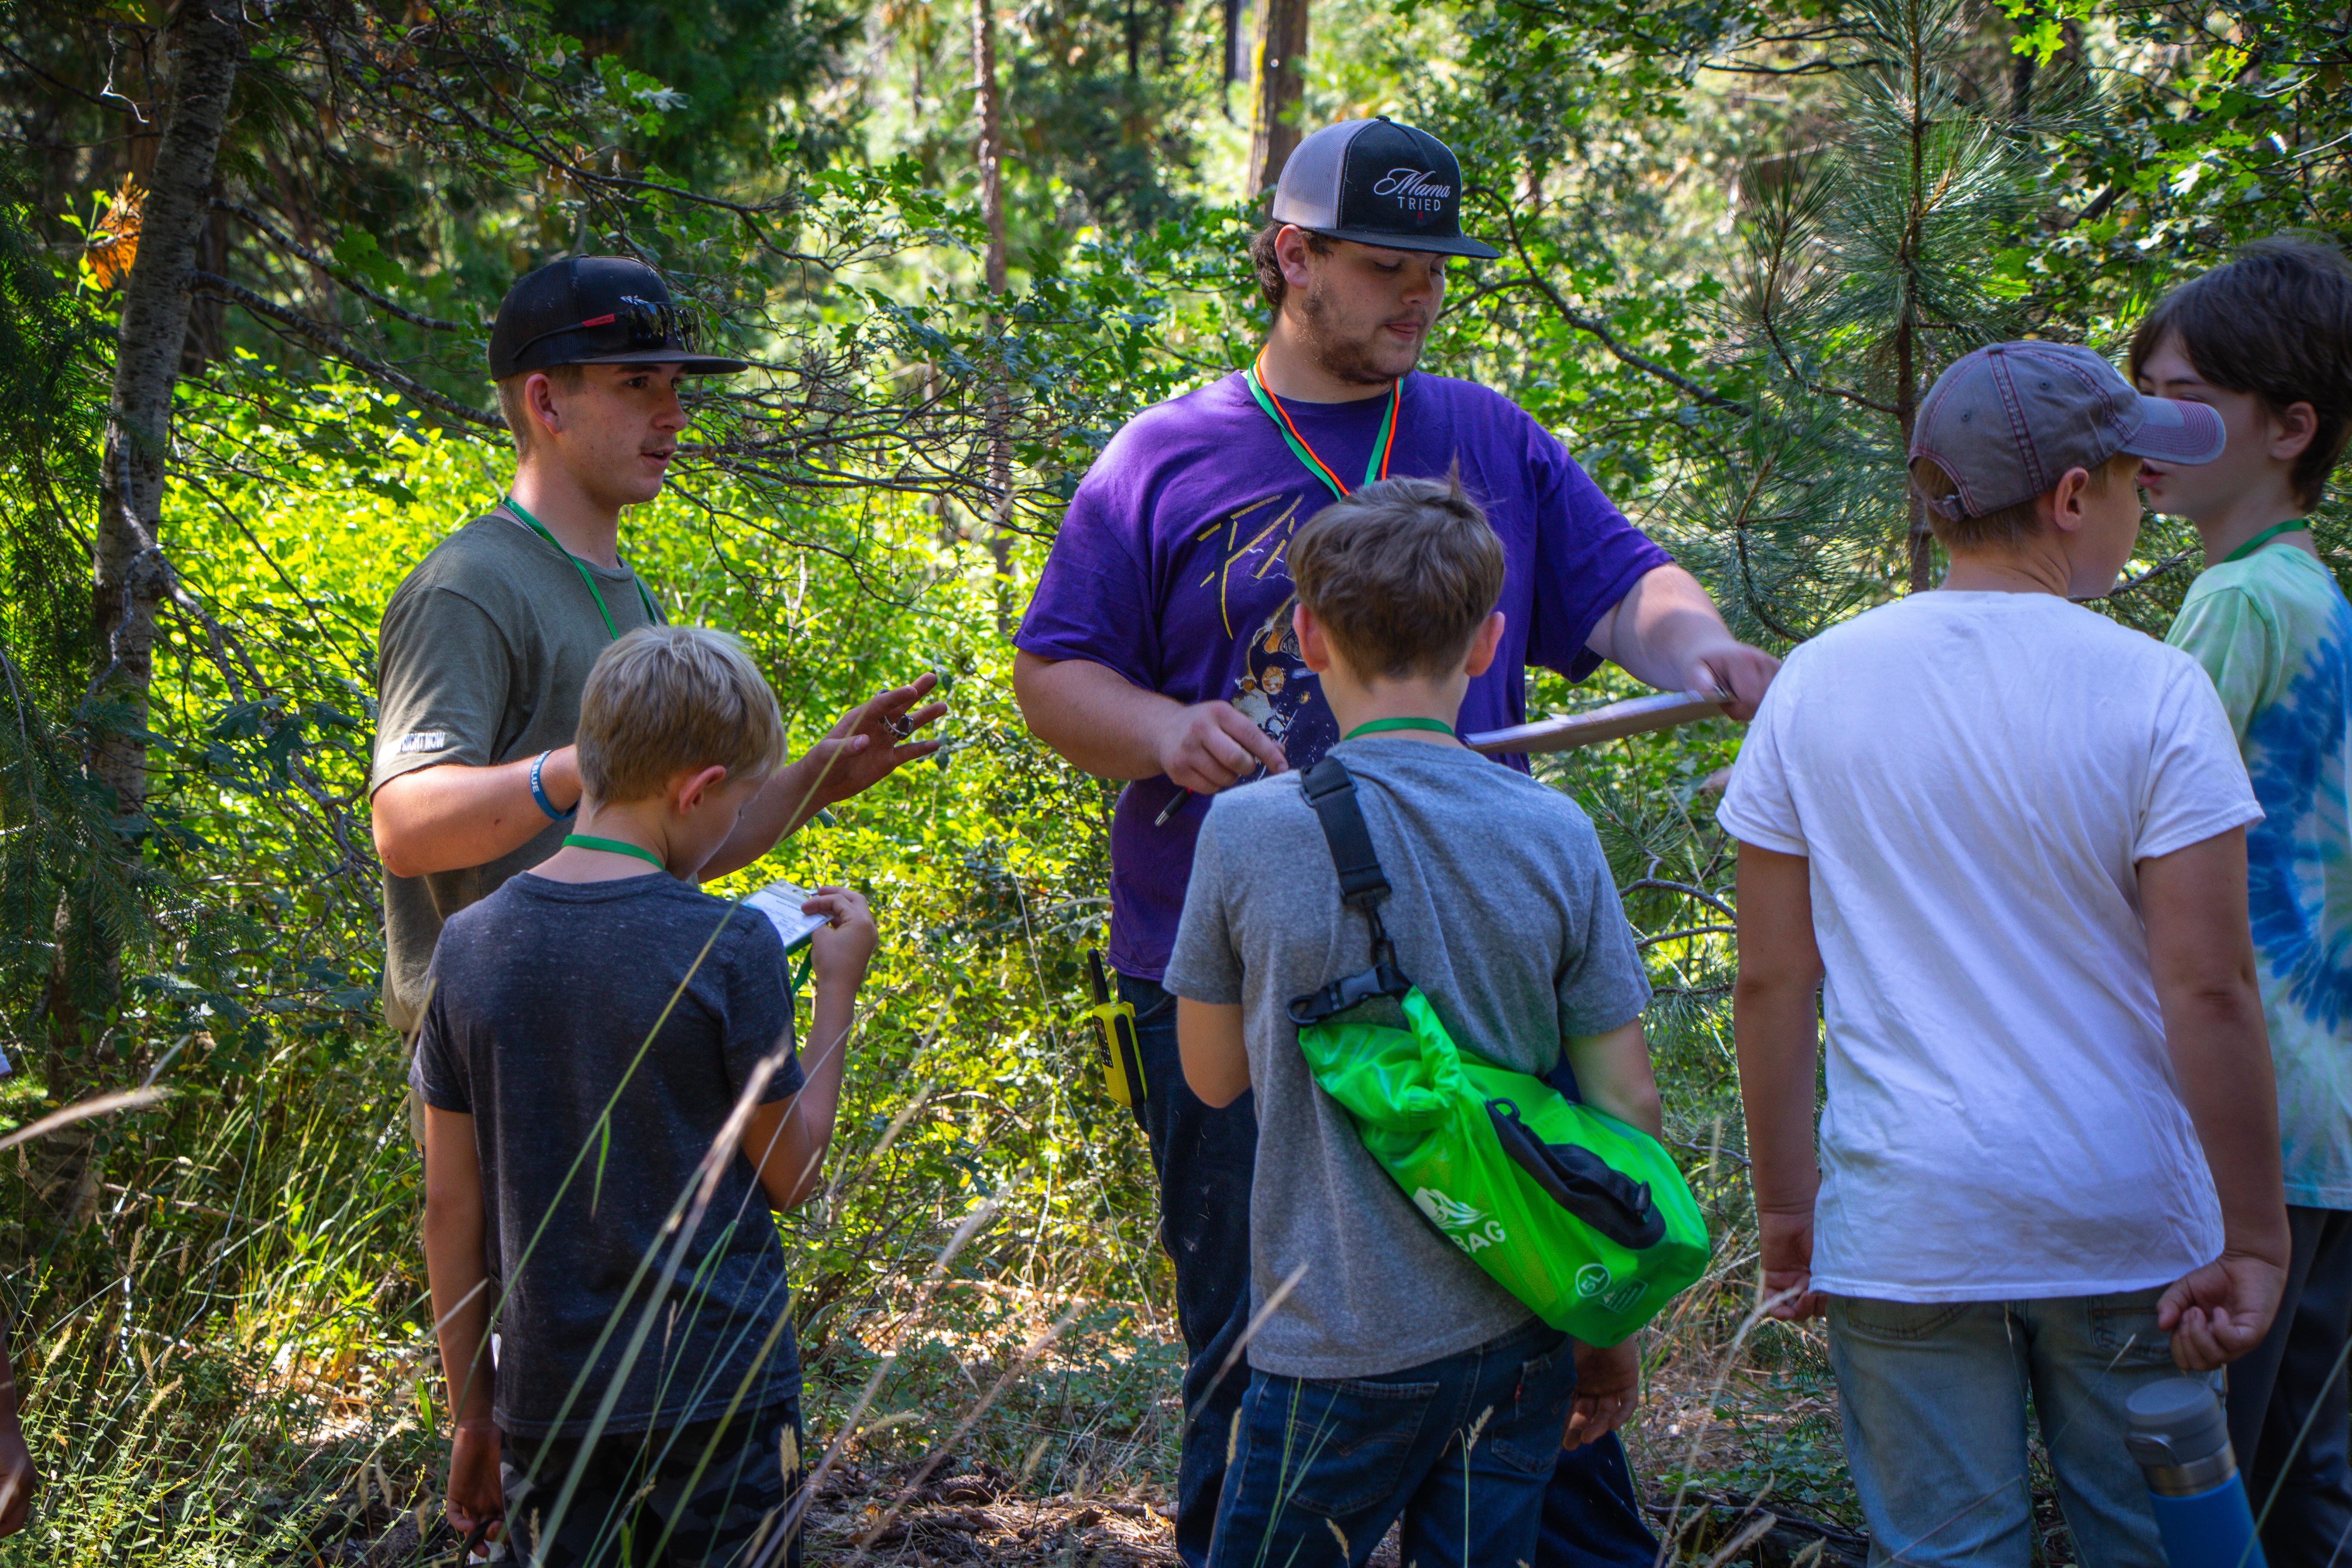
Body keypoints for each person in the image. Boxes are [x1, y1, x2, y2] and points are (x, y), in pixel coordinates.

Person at [1011, 116, 1777, 1566]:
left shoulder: (1486, 434)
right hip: (1243, 967)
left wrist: (1707, 647)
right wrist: (1168, 730)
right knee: (1257, 1336)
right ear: (1290, 255)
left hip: (1472, 969)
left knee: (1524, 1291)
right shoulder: (1168, 455)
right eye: (1382, 266)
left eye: (1435, 268)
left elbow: (1624, 584)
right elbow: (1054, 672)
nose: (1416, 296)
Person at [1722, 341, 2290, 1567]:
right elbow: (2209, 987)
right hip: (2128, 1220)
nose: (2148, 506)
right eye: (2138, 480)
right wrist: (2253, 1236)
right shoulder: (2154, 691)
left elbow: (1772, 982)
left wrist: (1788, 1205)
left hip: (1908, 1218)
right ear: (2075, 498)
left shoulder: (1816, 687)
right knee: (2156, 1549)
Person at [1164, 475, 1664, 1568]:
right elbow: (1629, 1103)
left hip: (1333, 1343)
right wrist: (1608, 1328)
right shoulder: (1556, 832)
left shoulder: (1248, 834)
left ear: (1305, 636)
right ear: (1488, 644)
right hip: (1523, 1329)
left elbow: (1209, 1080)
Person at [371, 255, 942, 1045]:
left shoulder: (625, 593)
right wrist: (594, 762)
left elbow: (668, 850)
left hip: (618, 1035)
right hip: (502, 1055)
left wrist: (814, 778)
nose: (674, 414)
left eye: (676, 385)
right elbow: (405, 830)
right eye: (638, 384)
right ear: (546, 402)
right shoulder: (468, 588)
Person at [417, 625, 876, 1567]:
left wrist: (473, 1417)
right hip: (722, 1394)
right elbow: (791, 1173)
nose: (734, 826)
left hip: (547, 1400)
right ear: (700, 789)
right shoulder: (731, 944)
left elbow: (448, 1211)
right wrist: (837, 989)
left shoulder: (468, 946)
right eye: (740, 802)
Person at [2132, 237, 2352, 1565]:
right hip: (2326, 1113)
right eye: (2142, 390)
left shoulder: (2231, 605)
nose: (2152, 424)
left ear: (2289, 427)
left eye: (2188, 395)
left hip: (2247, 1114)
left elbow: (2137, 834)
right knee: (2306, 1479)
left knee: (2216, 1494)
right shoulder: (2318, 597)